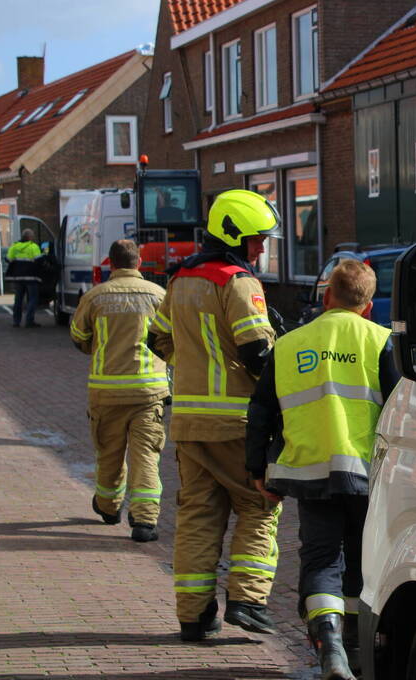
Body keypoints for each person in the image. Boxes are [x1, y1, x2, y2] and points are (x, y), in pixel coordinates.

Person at [246, 259, 399, 680]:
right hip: (369, 477)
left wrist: (257, 467)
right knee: (363, 564)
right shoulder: (382, 341)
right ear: (367, 306)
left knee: (320, 559)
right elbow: (401, 412)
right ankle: (355, 650)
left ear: (327, 295)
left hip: (309, 474)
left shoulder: (290, 344)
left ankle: (330, 646)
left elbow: (260, 410)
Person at [146, 189, 281, 643]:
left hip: (188, 423)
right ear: (233, 237)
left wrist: (193, 364)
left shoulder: (181, 279)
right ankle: (246, 600)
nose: (261, 248)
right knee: (259, 506)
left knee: (198, 517)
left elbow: (157, 340)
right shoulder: (237, 282)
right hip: (236, 424)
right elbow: (259, 352)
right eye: (256, 240)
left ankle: (193, 615)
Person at [70, 239, 169, 542]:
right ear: (139, 263)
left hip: (107, 392)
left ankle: (109, 507)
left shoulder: (95, 297)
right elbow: (171, 337)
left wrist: (98, 346)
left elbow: (78, 336)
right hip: (148, 392)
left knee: (109, 453)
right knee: (146, 456)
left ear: (110, 264)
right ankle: (145, 522)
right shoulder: (159, 295)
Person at [6, 228, 42, 328]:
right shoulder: (33, 247)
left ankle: (16, 321)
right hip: (31, 278)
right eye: (33, 235)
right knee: (32, 299)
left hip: (18, 278)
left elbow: (8, 259)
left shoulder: (14, 247)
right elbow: (39, 260)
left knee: (18, 299)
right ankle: (29, 321)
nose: (33, 237)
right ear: (30, 237)